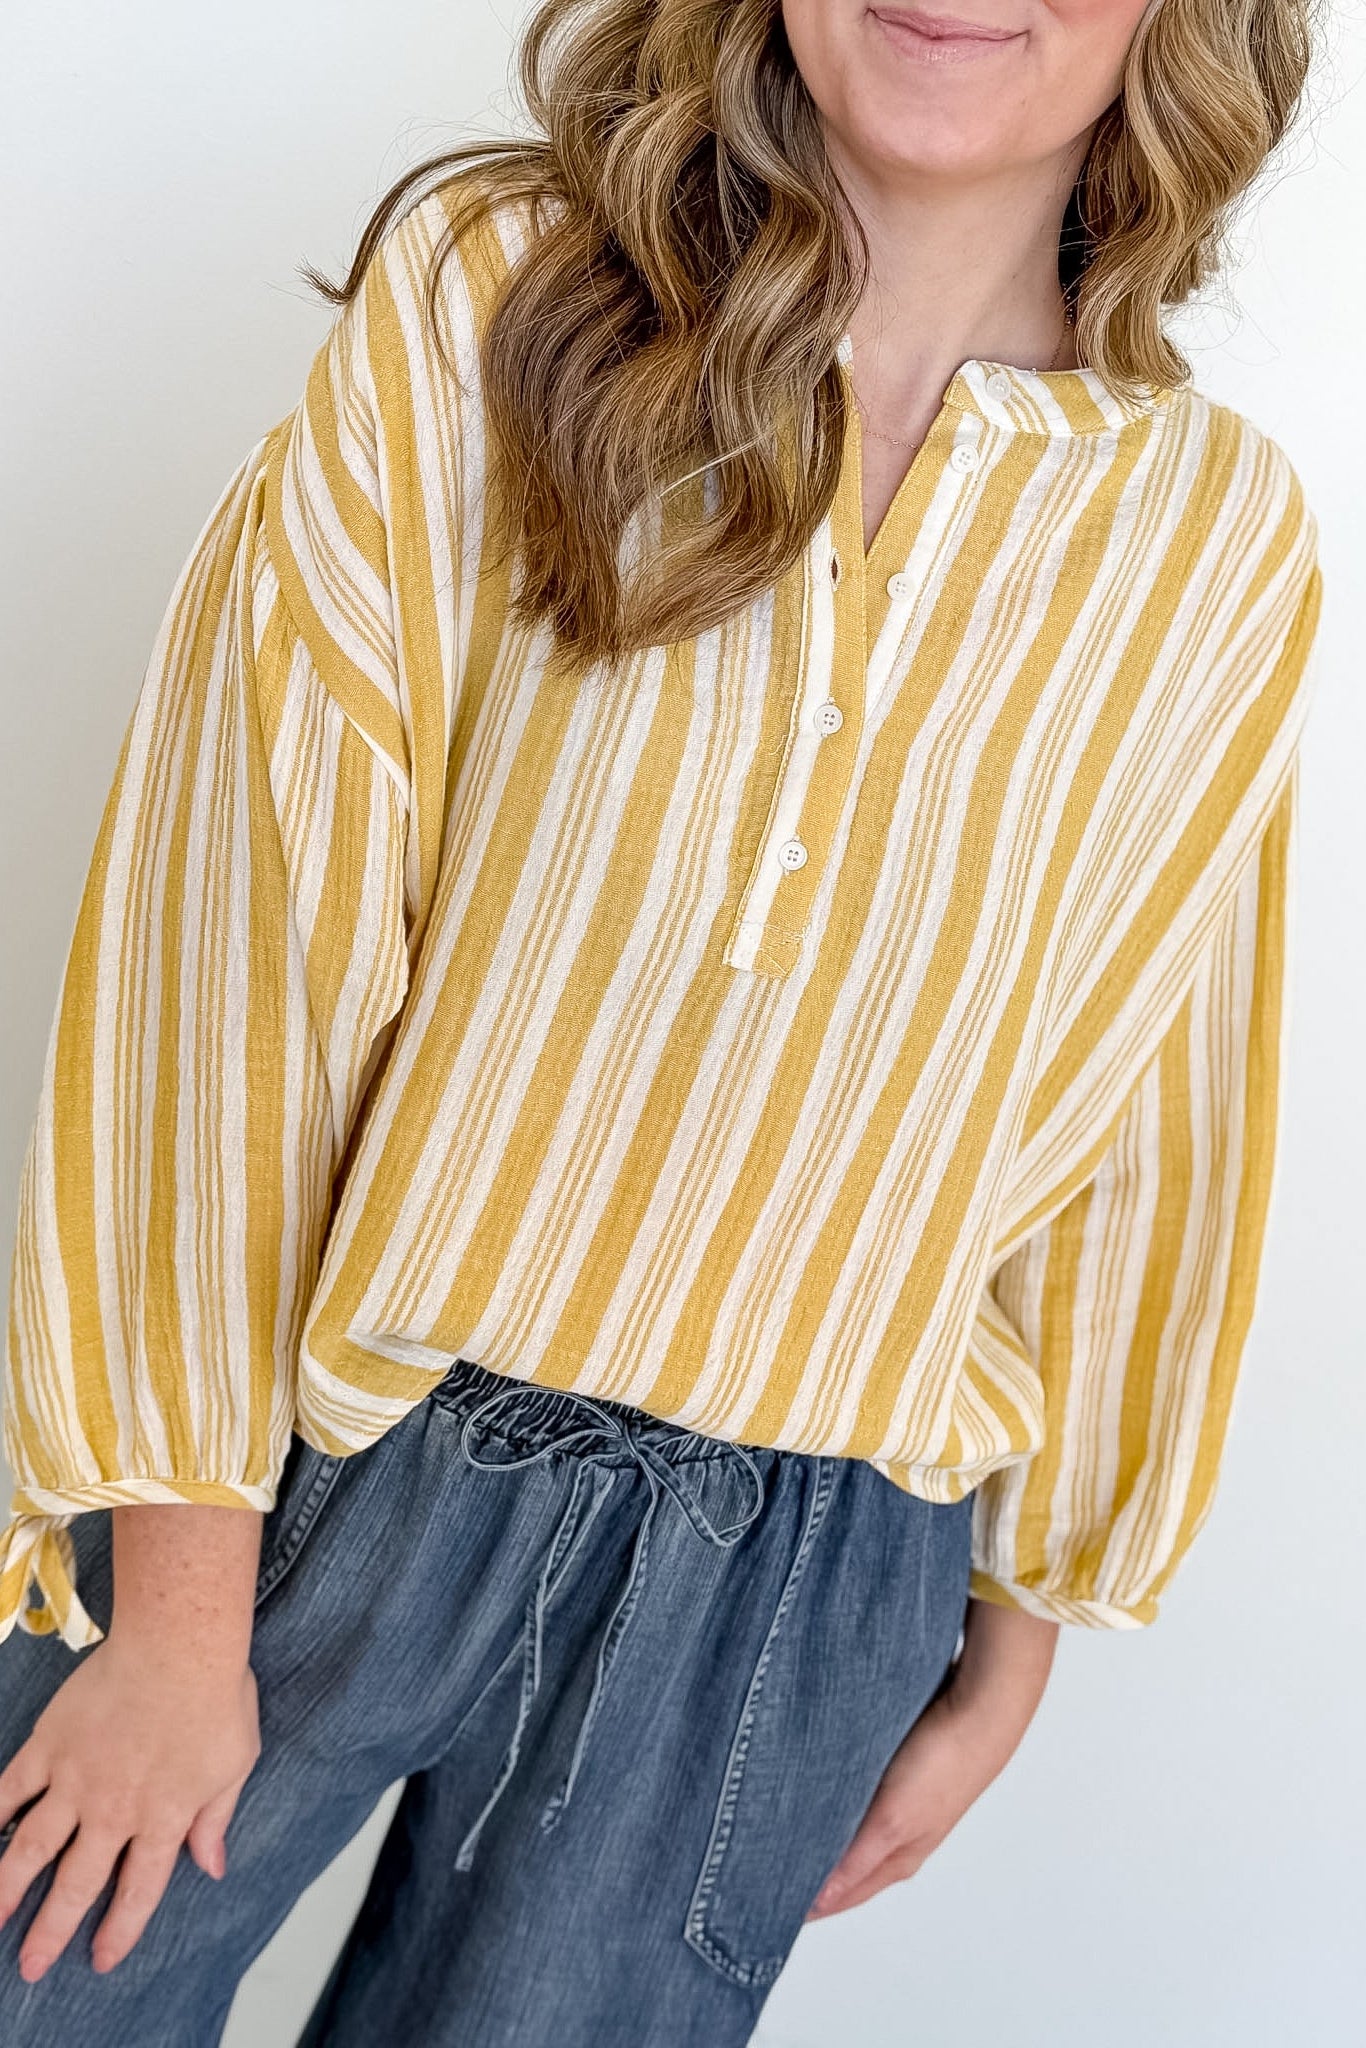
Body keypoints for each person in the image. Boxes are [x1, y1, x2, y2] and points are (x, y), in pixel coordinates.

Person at [0, 0, 1324, 2041]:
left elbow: (1147, 1090)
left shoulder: (1213, 542)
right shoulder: (493, 310)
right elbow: (239, 935)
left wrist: (1023, 1625)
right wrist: (173, 1608)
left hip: (791, 1585)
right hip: (321, 1467)